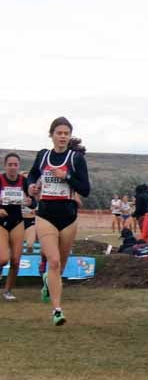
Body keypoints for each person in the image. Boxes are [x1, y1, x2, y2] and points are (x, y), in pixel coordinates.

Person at [26, 118, 91, 325]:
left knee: (59, 266)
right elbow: (33, 175)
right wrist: (30, 187)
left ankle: (48, 281)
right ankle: (57, 310)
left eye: (66, 133)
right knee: (53, 261)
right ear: (51, 134)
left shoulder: (76, 159)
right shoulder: (43, 155)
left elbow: (85, 189)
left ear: (70, 136)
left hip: (68, 216)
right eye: (59, 132)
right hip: (45, 214)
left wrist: (67, 176)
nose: (63, 136)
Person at [1, 153, 31, 301]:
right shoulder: (0, 180)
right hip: (1, 222)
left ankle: (8, 291)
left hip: (18, 221)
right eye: (10, 164)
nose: (13, 167)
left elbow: (33, 203)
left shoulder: (23, 181)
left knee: (16, 260)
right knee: (3, 259)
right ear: (5, 165)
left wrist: (29, 201)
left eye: (15, 165)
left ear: (19, 166)